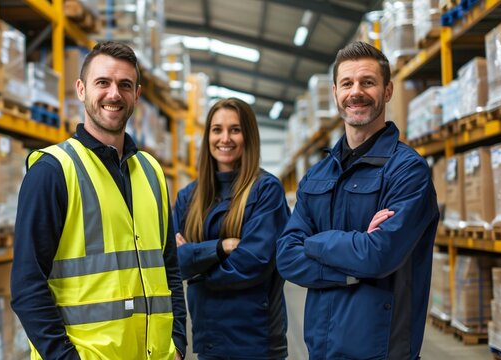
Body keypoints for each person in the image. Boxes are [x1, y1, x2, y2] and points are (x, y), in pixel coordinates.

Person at [11, 41, 187, 360]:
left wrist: (178, 343)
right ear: (81, 89)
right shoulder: (52, 172)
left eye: (125, 85)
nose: (114, 94)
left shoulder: (152, 172)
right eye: (102, 82)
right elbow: (27, 286)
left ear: (137, 94)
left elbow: (168, 267)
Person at [276, 41, 439, 360]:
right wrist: (353, 264)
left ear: (388, 90)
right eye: (347, 83)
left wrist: (315, 242)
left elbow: (379, 255)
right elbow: (286, 255)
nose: (356, 92)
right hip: (320, 349)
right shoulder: (317, 175)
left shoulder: (407, 171)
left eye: (368, 82)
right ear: (336, 92)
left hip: (381, 351)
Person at [173, 98, 290, 360]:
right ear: (208, 136)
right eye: (217, 129)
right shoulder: (188, 197)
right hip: (208, 341)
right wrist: (220, 247)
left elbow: (252, 263)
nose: (225, 138)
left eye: (235, 129)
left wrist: (197, 270)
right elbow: (173, 263)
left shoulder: (266, 190)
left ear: (248, 135)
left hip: (257, 343)